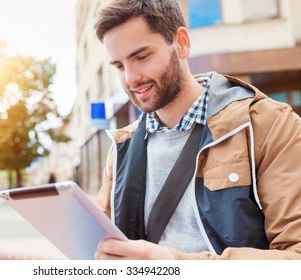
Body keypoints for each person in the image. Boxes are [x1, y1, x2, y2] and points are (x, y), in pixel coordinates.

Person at [93, 0, 301, 260]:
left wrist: (175, 264)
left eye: (142, 57)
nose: (131, 78)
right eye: (119, 66)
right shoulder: (122, 148)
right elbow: (100, 247)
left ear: (181, 43)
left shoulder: (269, 126)